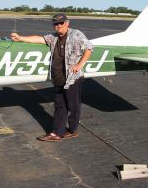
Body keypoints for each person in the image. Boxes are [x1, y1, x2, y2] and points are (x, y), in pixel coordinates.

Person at [10, 13, 93, 141]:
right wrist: (20, 38)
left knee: (73, 106)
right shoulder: (53, 37)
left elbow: (89, 47)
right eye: (56, 24)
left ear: (67, 23)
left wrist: (79, 64)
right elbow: (39, 39)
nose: (58, 26)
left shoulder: (76, 34)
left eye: (61, 23)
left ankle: (72, 130)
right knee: (60, 106)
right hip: (58, 78)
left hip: (73, 78)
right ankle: (57, 133)